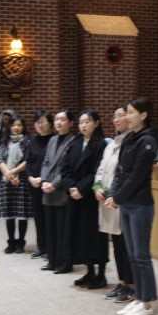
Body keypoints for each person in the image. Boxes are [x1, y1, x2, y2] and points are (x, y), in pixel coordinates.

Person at [105, 96, 158, 315]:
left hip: (141, 205)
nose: (127, 116)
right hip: (127, 204)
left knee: (142, 256)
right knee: (132, 255)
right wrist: (113, 195)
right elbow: (120, 172)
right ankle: (139, 297)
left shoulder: (148, 140)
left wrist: (117, 197)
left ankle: (147, 303)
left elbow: (137, 176)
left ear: (143, 115)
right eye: (126, 112)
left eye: (130, 112)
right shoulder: (129, 139)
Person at [94, 105, 135, 303]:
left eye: (121, 116)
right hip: (108, 201)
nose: (116, 120)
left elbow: (126, 175)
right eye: (114, 116)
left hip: (122, 201)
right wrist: (97, 187)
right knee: (117, 244)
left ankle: (132, 285)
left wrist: (114, 194)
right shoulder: (111, 145)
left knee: (126, 245)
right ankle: (122, 282)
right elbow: (101, 169)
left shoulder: (131, 142)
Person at [62, 110, 108, 289]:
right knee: (81, 236)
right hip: (75, 196)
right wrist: (71, 187)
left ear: (96, 123)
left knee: (95, 236)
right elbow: (65, 168)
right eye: (81, 122)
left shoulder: (101, 144)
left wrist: (81, 189)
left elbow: (97, 171)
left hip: (91, 197)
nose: (83, 125)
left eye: (87, 121)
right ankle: (89, 272)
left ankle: (101, 274)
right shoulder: (75, 143)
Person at [40, 109, 76, 273]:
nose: (59, 122)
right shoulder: (53, 140)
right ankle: (52, 261)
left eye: (63, 119)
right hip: (48, 189)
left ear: (70, 123)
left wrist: (54, 184)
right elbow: (46, 162)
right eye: (56, 119)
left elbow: (68, 168)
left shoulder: (73, 140)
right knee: (50, 228)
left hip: (61, 190)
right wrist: (44, 181)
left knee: (63, 229)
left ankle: (64, 263)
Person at [0, 115, 32, 254]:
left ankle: (21, 243)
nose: (16, 128)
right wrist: (9, 175)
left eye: (19, 125)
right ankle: (11, 242)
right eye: (13, 125)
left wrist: (14, 172)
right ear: (9, 127)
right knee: (10, 213)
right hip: (7, 181)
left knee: (22, 213)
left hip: (22, 180)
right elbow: (0, 160)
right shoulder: (4, 142)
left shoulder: (27, 142)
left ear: (23, 127)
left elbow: (28, 160)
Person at [26, 110, 54, 259]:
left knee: (49, 217)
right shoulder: (32, 141)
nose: (40, 125)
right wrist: (30, 177)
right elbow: (28, 161)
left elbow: (52, 164)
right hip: (34, 185)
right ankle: (41, 247)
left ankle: (51, 248)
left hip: (49, 185)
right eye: (37, 122)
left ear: (50, 123)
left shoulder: (54, 140)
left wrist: (43, 179)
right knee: (38, 217)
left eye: (43, 121)